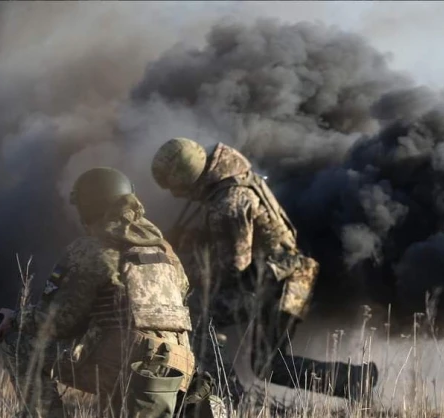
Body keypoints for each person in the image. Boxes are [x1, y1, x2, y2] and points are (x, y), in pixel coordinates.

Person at [151, 138, 378, 405]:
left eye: (178, 188)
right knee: (268, 363)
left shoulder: (228, 203)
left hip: (277, 283)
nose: (180, 195)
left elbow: (233, 266)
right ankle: (351, 380)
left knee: (198, 319)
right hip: (280, 276)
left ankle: (228, 397)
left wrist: (187, 274)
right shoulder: (231, 181)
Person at [0, 167, 210, 418]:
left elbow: (56, 321)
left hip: (126, 364)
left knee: (18, 344)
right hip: (179, 367)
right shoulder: (165, 250)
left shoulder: (92, 249)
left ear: (88, 207)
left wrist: (15, 318)